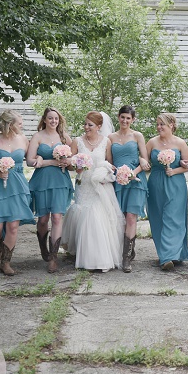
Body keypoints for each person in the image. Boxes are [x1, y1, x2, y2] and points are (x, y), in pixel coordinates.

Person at [62, 111, 124, 272]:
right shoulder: (77, 141)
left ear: (99, 127)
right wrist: (76, 166)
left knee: (96, 217)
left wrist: (105, 174)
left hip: (99, 185)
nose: (86, 127)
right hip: (83, 184)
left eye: (90, 125)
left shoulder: (106, 142)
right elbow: (69, 164)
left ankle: (98, 259)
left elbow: (109, 164)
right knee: (83, 214)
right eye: (85, 124)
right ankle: (82, 253)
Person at [0, 110, 35, 275]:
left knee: (13, 226)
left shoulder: (24, 140)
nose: (22, 125)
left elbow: (32, 158)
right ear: (9, 125)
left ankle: (6, 262)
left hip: (18, 187)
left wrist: (40, 159)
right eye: (19, 123)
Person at [26, 107, 74, 273]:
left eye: (56, 118)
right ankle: (43, 246)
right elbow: (29, 161)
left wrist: (67, 162)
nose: (54, 121)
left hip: (60, 181)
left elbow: (73, 161)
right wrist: (47, 161)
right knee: (43, 219)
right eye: (50, 118)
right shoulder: (38, 137)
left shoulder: (64, 137)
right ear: (44, 120)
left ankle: (53, 257)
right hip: (42, 181)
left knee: (57, 218)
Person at [146, 112, 188, 270]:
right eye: (157, 124)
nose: (159, 127)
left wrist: (178, 169)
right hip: (155, 183)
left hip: (175, 183)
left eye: (162, 124)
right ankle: (168, 253)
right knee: (157, 217)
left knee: (174, 218)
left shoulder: (180, 143)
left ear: (171, 125)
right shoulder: (152, 142)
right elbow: (144, 160)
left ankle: (168, 257)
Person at [108, 105, 150, 273]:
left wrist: (132, 173)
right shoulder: (110, 138)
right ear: (118, 117)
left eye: (128, 118)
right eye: (122, 117)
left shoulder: (137, 136)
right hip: (118, 181)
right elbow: (109, 161)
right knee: (121, 217)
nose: (125, 120)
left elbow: (145, 161)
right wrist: (117, 172)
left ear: (133, 120)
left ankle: (126, 259)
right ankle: (127, 249)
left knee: (132, 216)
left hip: (136, 180)